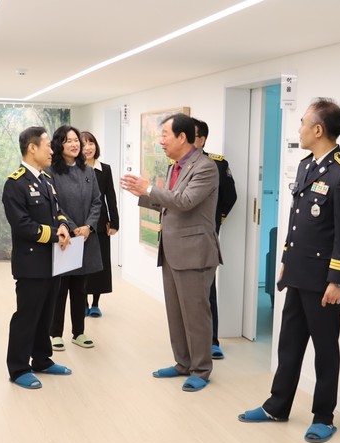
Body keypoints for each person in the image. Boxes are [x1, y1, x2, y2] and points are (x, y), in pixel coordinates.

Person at [238, 98, 340, 443]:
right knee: (289, 345)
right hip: (297, 273)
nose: (299, 129)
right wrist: (285, 260)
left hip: (324, 281)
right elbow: (298, 222)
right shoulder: (307, 166)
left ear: (318, 130)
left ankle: (323, 416)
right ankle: (277, 406)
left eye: (303, 123)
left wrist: (338, 280)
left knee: (325, 350)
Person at [121, 113, 220, 392]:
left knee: (196, 314)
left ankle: (201, 369)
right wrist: (143, 194)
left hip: (195, 253)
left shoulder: (206, 167)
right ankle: (183, 363)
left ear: (182, 137)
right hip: (172, 250)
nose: (160, 141)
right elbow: (170, 204)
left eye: (164, 135)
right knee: (176, 313)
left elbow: (185, 201)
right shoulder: (174, 166)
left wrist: (150, 188)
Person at [2, 126, 75, 389]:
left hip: (52, 261)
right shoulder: (15, 183)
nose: (52, 151)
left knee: (46, 313)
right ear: (32, 148)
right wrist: (56, 234)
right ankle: (18, 368)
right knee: (27, 316)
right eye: (48, 146)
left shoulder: (46, 179)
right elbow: (22, 225)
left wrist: (64, 225)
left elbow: (58, 210)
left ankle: (42, 359)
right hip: (31, 263)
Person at [45, 126, 102, 350]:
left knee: (80, 288)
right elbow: (54, 205)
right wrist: (72, 227)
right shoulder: (51, 172)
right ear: (59, 144)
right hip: (65, 237)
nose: (75, 144)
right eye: (68, 140)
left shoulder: (88, 171)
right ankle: (55, 333)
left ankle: (79, 332)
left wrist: (88, 226)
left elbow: (97, 201)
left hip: (86, 237)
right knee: (60, 288)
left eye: (76, 140)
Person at [192, 118, 237, 360]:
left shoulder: (217, 164)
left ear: (202, 140)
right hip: (182, 238)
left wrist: (216, 220)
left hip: (206, 234)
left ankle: (212, 341)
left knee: (208, 286)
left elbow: (230, 196)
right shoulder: (175, 165)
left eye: (191, 135)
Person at [81, 131, 119, 318]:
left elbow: (110, 197)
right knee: (81, 265)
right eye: (84, 144)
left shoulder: (105, 169)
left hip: (101, 224)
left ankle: (95, 303)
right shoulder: (74, 169)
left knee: (99, 264)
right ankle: (83, 302)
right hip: (80, 224)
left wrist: (115, 222)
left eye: (91, 143)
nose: (88, 148)